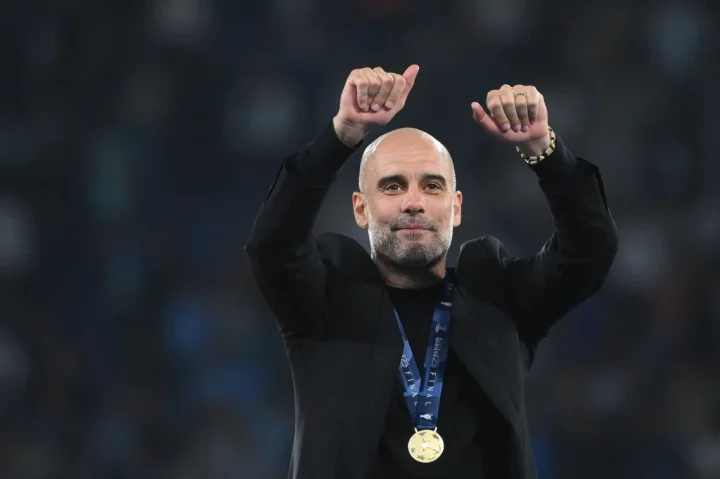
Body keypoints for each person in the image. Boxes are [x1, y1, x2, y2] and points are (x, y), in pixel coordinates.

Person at [245, 64, 618, 479]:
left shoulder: (500, 298)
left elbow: (590, 250)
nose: (414, 202)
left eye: (432, 186)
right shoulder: (324, 301)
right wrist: (342, 135)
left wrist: (544, 153)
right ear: (360, 208)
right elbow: (272, 246)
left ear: (456, 208)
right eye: (392, 186)